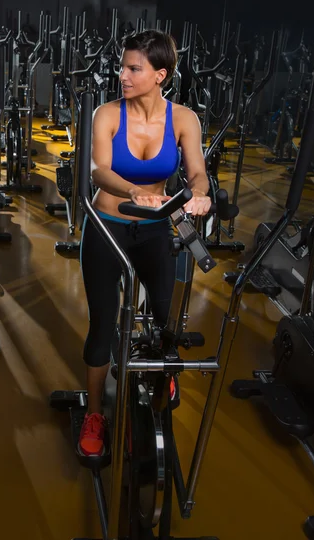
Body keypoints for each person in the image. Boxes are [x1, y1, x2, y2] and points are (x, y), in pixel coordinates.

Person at [78, 30, 212, 457]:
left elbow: (197, 173)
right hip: (108, 225)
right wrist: (134, 192)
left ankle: (158, 383)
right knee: (102, 324)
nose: (123, 75)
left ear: (160, 75)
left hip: (155, 227)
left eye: (133, 68)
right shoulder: (107, 114)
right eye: (122, 66)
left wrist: (201, 193)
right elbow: (99, 170)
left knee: (163, 320)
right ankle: (95, 413)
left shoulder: (184, 118)